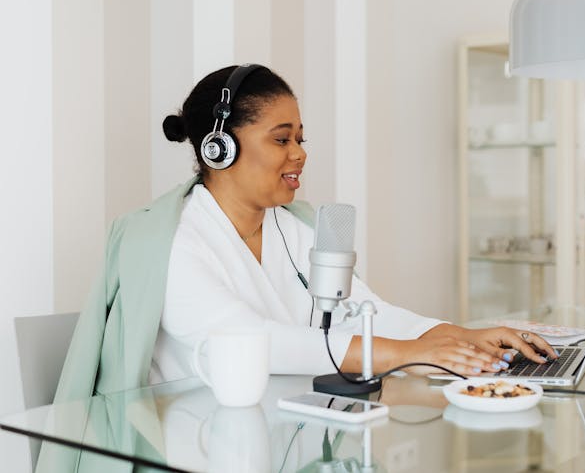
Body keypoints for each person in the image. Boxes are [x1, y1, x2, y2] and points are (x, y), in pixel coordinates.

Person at [54, 64, 558, 408]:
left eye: (300, 138)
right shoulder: (169, 243)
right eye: (281, 139)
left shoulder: (294, 223)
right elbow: (255, 343)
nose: (299, 153)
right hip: (195, 442)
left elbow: (366, 312)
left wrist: (454, 334)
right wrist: (409, 353)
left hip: (285, 425)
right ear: (219, 149)